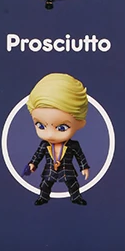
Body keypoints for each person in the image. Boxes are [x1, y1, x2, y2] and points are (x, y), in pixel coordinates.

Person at [24, 73, 91, 206]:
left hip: (67, 170)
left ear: (80, 123)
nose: (50, 135)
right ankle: (43, 197)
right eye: (40, 125)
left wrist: (84, 167)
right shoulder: (44, 145)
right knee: (45, 184)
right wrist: (32, 164)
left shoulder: (73, 145)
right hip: (50, 170)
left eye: (61, 128)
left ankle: (76, 197)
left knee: (72, 183)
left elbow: (80, 157)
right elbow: (38, 155)